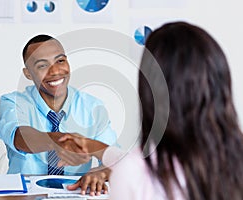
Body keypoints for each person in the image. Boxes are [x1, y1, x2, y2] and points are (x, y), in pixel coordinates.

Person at [60, 21, 243, 199]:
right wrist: (91, 146)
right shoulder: (232, 161)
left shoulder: (133, 173)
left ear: (150, 90)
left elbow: (138, 166)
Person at [0, 34, 117, 196]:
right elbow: (20, 137)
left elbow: (113, 158)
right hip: (24, 198)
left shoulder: (92, 107)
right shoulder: (13, 102)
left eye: (60, 61)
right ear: (28, 73)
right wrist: (56, 141)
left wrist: (100, 172)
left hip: (75, 196)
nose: (55, 71)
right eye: (42, 65)